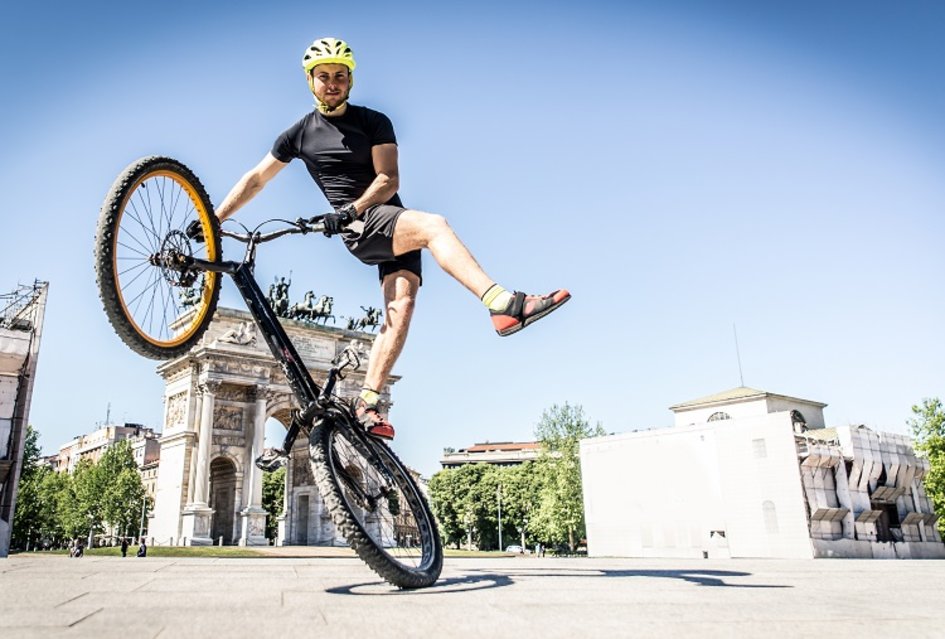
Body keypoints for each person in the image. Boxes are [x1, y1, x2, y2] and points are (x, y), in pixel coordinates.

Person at [208, 37, 570, 439]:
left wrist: (350, 208)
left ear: (350, 80)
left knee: (402, 305)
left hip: (383, 216)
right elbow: (257, 178)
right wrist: (214, 218)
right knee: (435, 226)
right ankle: (503, 304)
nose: (332, 83)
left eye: (340, 77)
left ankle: (368, 400)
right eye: (324, 77)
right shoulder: (298, 134)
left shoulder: (374, 121)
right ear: (310, 81)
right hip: (363, 228)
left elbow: (387, 179)